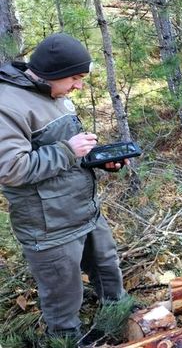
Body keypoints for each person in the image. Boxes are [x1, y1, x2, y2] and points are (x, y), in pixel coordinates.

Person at [0, 33, 127, 341]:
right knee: (63, 296)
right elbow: (11, 169)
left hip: (84, 210)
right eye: (75, 78)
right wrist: (69, 151)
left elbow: (65, 151)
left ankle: (120, 321)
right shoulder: (8, 105)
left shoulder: (55, 94)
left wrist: (94, 160)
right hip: (48, 225)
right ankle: (65, 341)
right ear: (51, 74)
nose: (79, 86)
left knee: (108, 268)